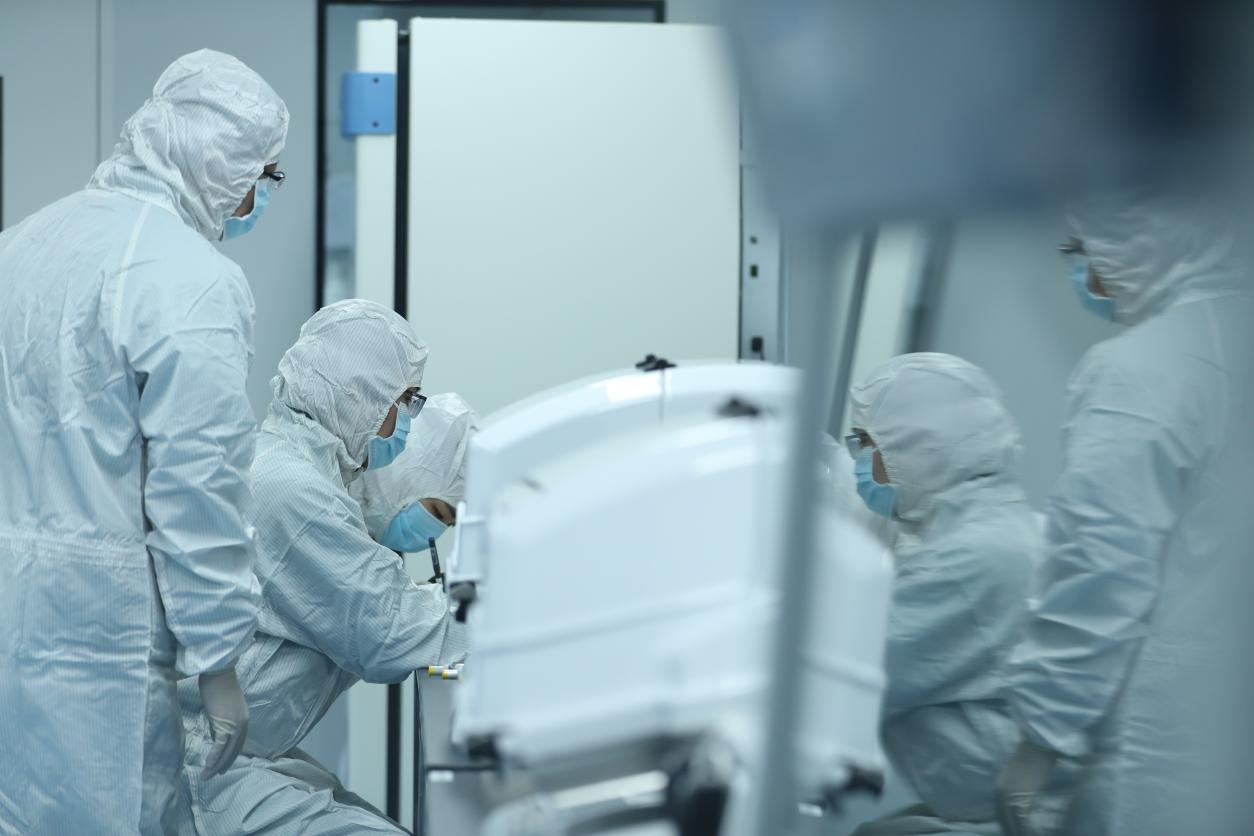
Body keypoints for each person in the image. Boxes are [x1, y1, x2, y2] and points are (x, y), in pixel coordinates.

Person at [0, 50, 287, 833]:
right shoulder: (190, 279)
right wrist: (218, 658)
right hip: (101, 644)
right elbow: (199, 487)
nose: (262, 194)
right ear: (219, 159)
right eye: (265, 173)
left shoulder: (19, 246)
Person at [997, 196, 1254, 836]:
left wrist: (1038, 742)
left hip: (1164, 747)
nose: (1078, 271)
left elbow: (1101, 567)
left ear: (1136, 246)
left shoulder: (1145, 369)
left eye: (1079, 252)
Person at [178, 300, 469, 836]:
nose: (407, 419)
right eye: (404, 400)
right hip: (210, 771)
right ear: (359, 396)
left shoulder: (295, 469)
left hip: (238, 755)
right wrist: (511, 608)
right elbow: (390, 632)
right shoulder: (291, 488)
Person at [844, 353, 1040, 836]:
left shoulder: (972, 558)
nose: (859, 463)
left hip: (1019, 818)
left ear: (922, 450)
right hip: (997, 810)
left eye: (866, 444)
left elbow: (852, 669)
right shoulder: (995, 531)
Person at [351, 391, 479, 554]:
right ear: (403, 470)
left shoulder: (384, 557)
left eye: (449, 524)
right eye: (438, 513)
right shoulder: (324, 513)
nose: (435, 532)